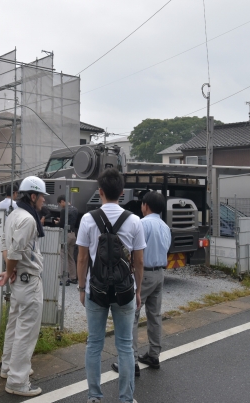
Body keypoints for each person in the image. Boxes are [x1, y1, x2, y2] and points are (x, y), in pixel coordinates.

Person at [77, 169, 145, 403]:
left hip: (95, 290)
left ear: (100, 192)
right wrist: (137, 291)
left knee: (94, 342)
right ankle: (126, 399)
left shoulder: (88, 219)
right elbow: (139, 261)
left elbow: (82, 258)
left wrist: (81, 288)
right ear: (122, 193)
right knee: (125, 346)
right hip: (125, 290)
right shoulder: (134, 220)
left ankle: (95, 396)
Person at [0, 176, 48, 397]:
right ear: (33, 196)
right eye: (42, 197)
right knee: (26, 332)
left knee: (15, 326)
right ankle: (18, 381)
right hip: (28, 282)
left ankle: (8, 368)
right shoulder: (28, 219)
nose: (44, 201)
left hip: (19, 281)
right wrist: (10, 271)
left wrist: (11, 270)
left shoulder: (13, 215)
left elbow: (5, 246)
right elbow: (16, 251)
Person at [112, 191, 170, 376]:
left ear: (145, 205)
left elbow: (134, 254)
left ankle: (131, 362)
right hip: (160, 274)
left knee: (131, 316)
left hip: (143, 275)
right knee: (155, 315)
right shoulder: (165, 226)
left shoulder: (142, 224)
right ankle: (154, 355)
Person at [56, 194, 79, 285]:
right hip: (73, 234)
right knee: (71, 256)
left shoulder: (64, 210)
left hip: (66, 234)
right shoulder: (75, 210)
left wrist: (57, 222)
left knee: (62, 255)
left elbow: (61, 224)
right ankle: (73, 277)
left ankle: (63, 278)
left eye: (59, 203)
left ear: (62, 201)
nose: (60, 205)